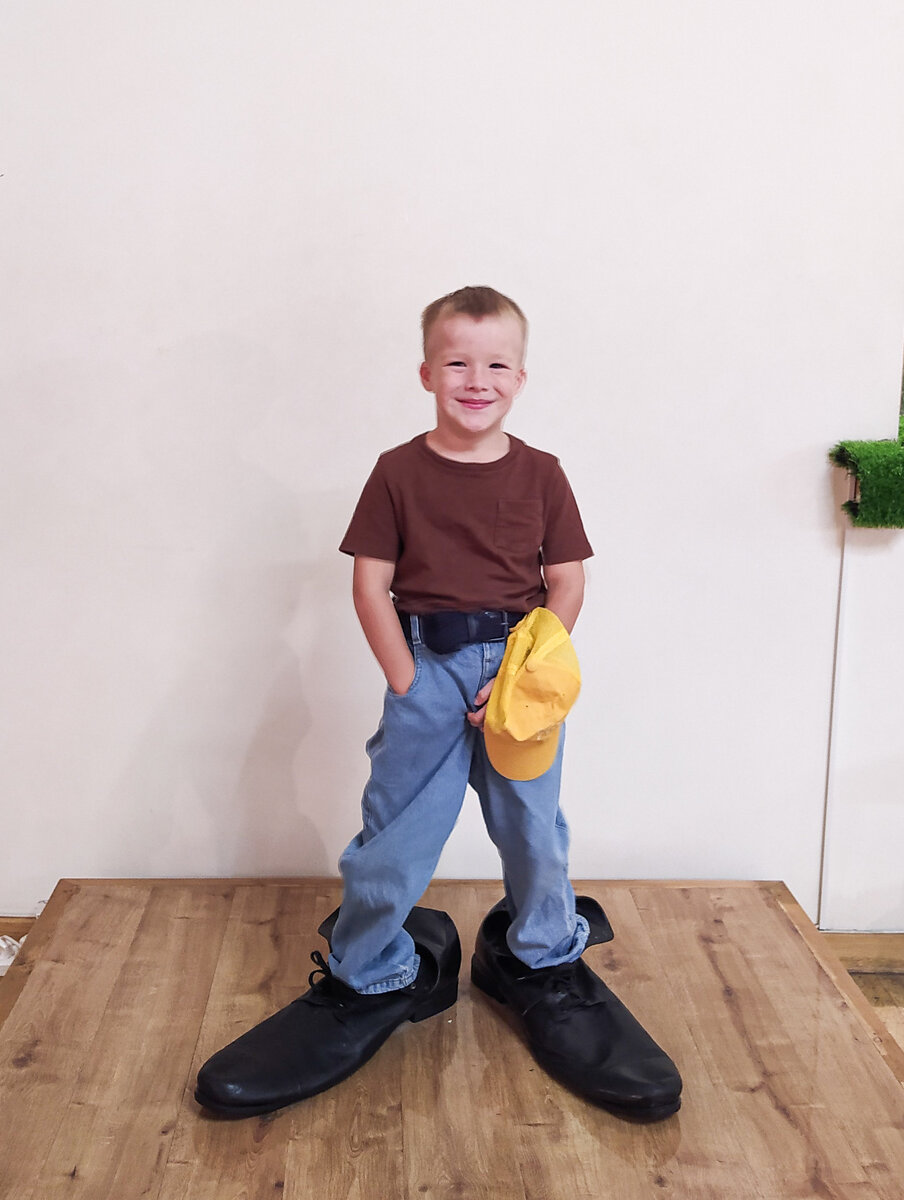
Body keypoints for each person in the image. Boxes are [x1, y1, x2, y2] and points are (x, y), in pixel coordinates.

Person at [195, 286, 682, 1121]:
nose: (476, 379)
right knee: (397, 834)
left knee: (533, 825)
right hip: (429, 667)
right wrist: (406, 679)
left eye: (496, 364)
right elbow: (370, 584)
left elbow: (566, 582)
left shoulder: (542, 473)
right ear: (426, 373)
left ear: (521, 378)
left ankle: (539, 957)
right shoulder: (397, 471)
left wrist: (525, 672)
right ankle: (370, 972)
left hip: (517, 676)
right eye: (457, 362)